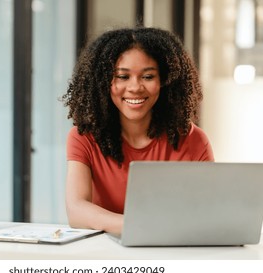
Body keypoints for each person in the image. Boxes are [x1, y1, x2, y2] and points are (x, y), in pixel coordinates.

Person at [61, 27, 214, 235]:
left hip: (173, 252)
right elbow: (77, 211)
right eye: (122, 77)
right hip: (104, 255)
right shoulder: (84, 138)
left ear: (165, 81)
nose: (135, 87)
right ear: (103, 81)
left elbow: (210, 213)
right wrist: (142, 226)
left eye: (148, 76)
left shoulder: (194, 140)